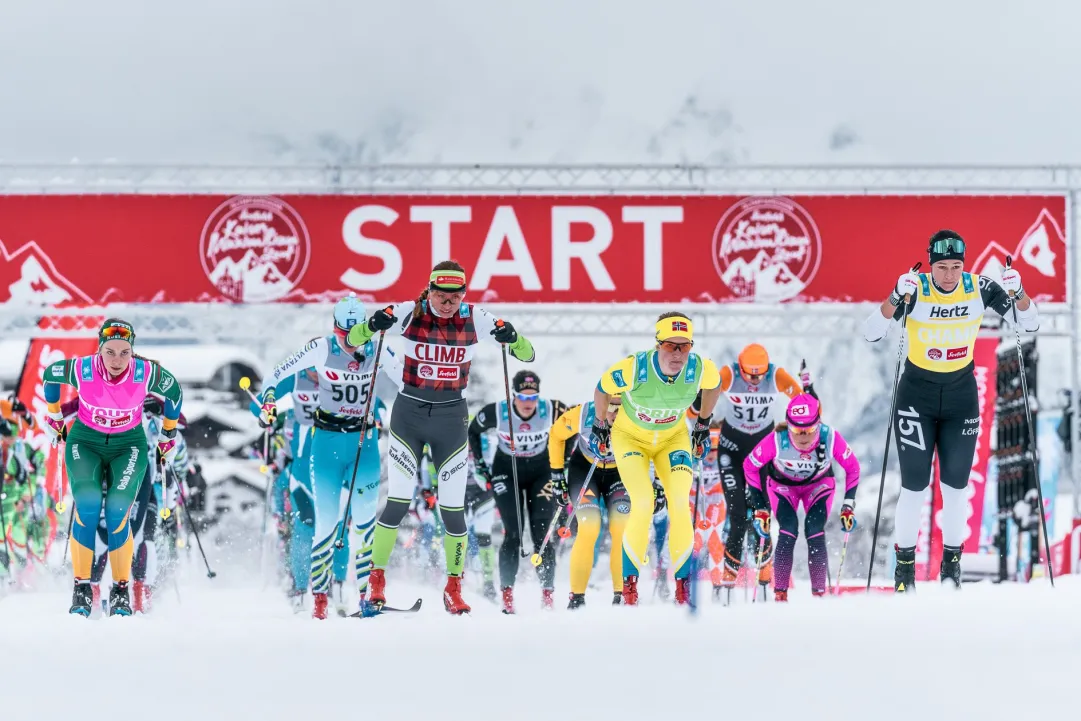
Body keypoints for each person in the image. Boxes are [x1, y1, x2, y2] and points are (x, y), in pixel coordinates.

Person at [345, 260, 535, 615]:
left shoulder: (476, 317)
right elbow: (353, 340)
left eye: (454, 296)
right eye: (440, 295)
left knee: (453, 510)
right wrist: (371, 325)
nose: (447, 303)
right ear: (429, 290)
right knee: (399, 501)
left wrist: (514, 337)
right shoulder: (407, 312)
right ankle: (376, 581)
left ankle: (453, 587)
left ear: (463, 294)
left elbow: (527, 354)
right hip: (409, 416)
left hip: (451, 420)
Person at [863, 230, 1040, 590]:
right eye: (942, 267)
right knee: (913, 486)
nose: (949, 275)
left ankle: (951, 569)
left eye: (956, 266)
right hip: (916, 396)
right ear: (931, 264)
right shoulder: (917, 288)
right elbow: (871, 332)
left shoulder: (979, 287)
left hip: (961, 396)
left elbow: (1031, 323)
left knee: (956, 487)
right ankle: (904, 571)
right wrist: (896, 296)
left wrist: (1018, 292)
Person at [257, 295, 397, 619]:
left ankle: (367, 597)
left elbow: (408, 379)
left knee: (364, 523)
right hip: (327, 444)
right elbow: (274, 375)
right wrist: (267, 402)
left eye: (355, 334)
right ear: (334, 328)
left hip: (364, 442)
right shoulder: (321, 348)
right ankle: (319, 598)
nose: (348, 342)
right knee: (326, 525)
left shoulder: (377, 348)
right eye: (341, 333)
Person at [41, 319, 183, 617]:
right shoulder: (83, 369)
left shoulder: (146, 373)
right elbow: (51, 375)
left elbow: (175, 393)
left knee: (119, 510)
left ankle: (121, 590)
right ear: (100, 349)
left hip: (128, 446)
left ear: (133, 351)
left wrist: (169, 433)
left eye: (124, 352)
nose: (117, 360)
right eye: (110, 352)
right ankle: (81, 586)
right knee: (89, 503)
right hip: (86, 443)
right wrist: (54, 415)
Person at [592, 312, 722, 605]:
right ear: (657, 343)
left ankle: (682, 584)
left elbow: (715, 385)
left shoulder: (700, 368)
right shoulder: (635, 368)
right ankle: (629, 585)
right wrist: (600, 423)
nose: (677, 354)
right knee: (643, 502)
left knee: (679, 502)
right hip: (631, 440)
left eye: (684, 346)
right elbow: (602, 388)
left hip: (671, 439)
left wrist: (703, 422)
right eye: (670, 346)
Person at [689, 344, 807, 598]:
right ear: (740, 367)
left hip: (762, 451)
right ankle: (730, 571)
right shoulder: (729, 374)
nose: (754, 381)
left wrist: (795, 424)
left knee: (762, 510)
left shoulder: (776, 376)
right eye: (749, 375)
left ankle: (765, 565)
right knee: (738, 513)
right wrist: (698, 403)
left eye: (759, 375)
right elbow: (697, 405)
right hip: (731, 449)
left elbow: (806, 405)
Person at [744, 394, 861, 600]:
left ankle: (819, 595)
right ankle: (780, 595)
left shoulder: (830, 437)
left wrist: (848, 506)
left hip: (818, 485)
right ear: (788, 426)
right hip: (782, 486)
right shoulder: (776, 440)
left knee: (814, 529)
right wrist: (760, 507)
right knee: (788, 529)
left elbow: (853, 468)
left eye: (810, 429)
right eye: (797, 430)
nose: (804, 436)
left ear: (819, 424)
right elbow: (749, 466)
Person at [468, 370, 566, 613]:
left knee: (542, 535)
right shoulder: (497, 411)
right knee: (513, 533)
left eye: (532, 398)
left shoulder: (552, 409)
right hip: (506, 470)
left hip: (541, 471)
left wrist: (562, 462)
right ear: (513, 395)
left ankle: (547, 596)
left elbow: (571, 429)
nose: (527, 403)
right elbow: (473, 431)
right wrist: (481, 467)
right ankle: (507, 596)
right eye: (522, 397)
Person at [548, 396, 627, 609]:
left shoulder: (636, 414)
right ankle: (577, 597)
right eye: (610, 407)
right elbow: (556, 435)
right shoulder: (583, 414)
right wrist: (557, 476)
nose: (615, 413)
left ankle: (622, 593)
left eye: (621, 407)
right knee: (589, 527)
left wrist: (656, 481)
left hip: (620, 473)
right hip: (585, 471)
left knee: (622, 528)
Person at [690, 426, 730, 600]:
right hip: (693, 500)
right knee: (695, 540)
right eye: (708, 450)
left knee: (714, 539)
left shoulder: (724, 459)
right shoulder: (693, 458)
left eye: (715, 449)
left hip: (715, 500)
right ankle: (686, 581)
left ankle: (718, 584)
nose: (711, 454)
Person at [464, 429, 497, 601]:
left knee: (484, 535)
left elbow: (498, 469)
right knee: (457, 535)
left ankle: (489, 581)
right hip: (460, 494)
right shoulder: (452, 443)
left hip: (483, 495)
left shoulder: (488, 444)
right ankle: (456, 576)